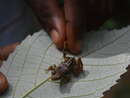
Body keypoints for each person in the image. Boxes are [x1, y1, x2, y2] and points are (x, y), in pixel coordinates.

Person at [0, 0, 129, 92]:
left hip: (30, 27)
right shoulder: (58, 72)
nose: (53, 76)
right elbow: (56, 70)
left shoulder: (62, 73)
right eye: (55, 75)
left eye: (54, 75)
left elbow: (60, 73)